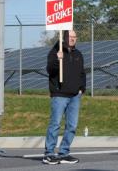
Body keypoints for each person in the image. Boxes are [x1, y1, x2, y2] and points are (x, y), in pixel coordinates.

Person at [43, 30, 85, 165]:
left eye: (74, 37)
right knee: (55, 124)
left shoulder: (78, 54)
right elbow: (50, 69)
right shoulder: (56, 51)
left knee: (72, 126)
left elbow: (82, 73)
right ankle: (49, 153)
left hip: (74, 95)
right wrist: (57, 59)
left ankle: (64, 152)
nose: (73, 39)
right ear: (65, 37)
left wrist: (81, 88)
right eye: (70, 36)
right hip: (59, 94)